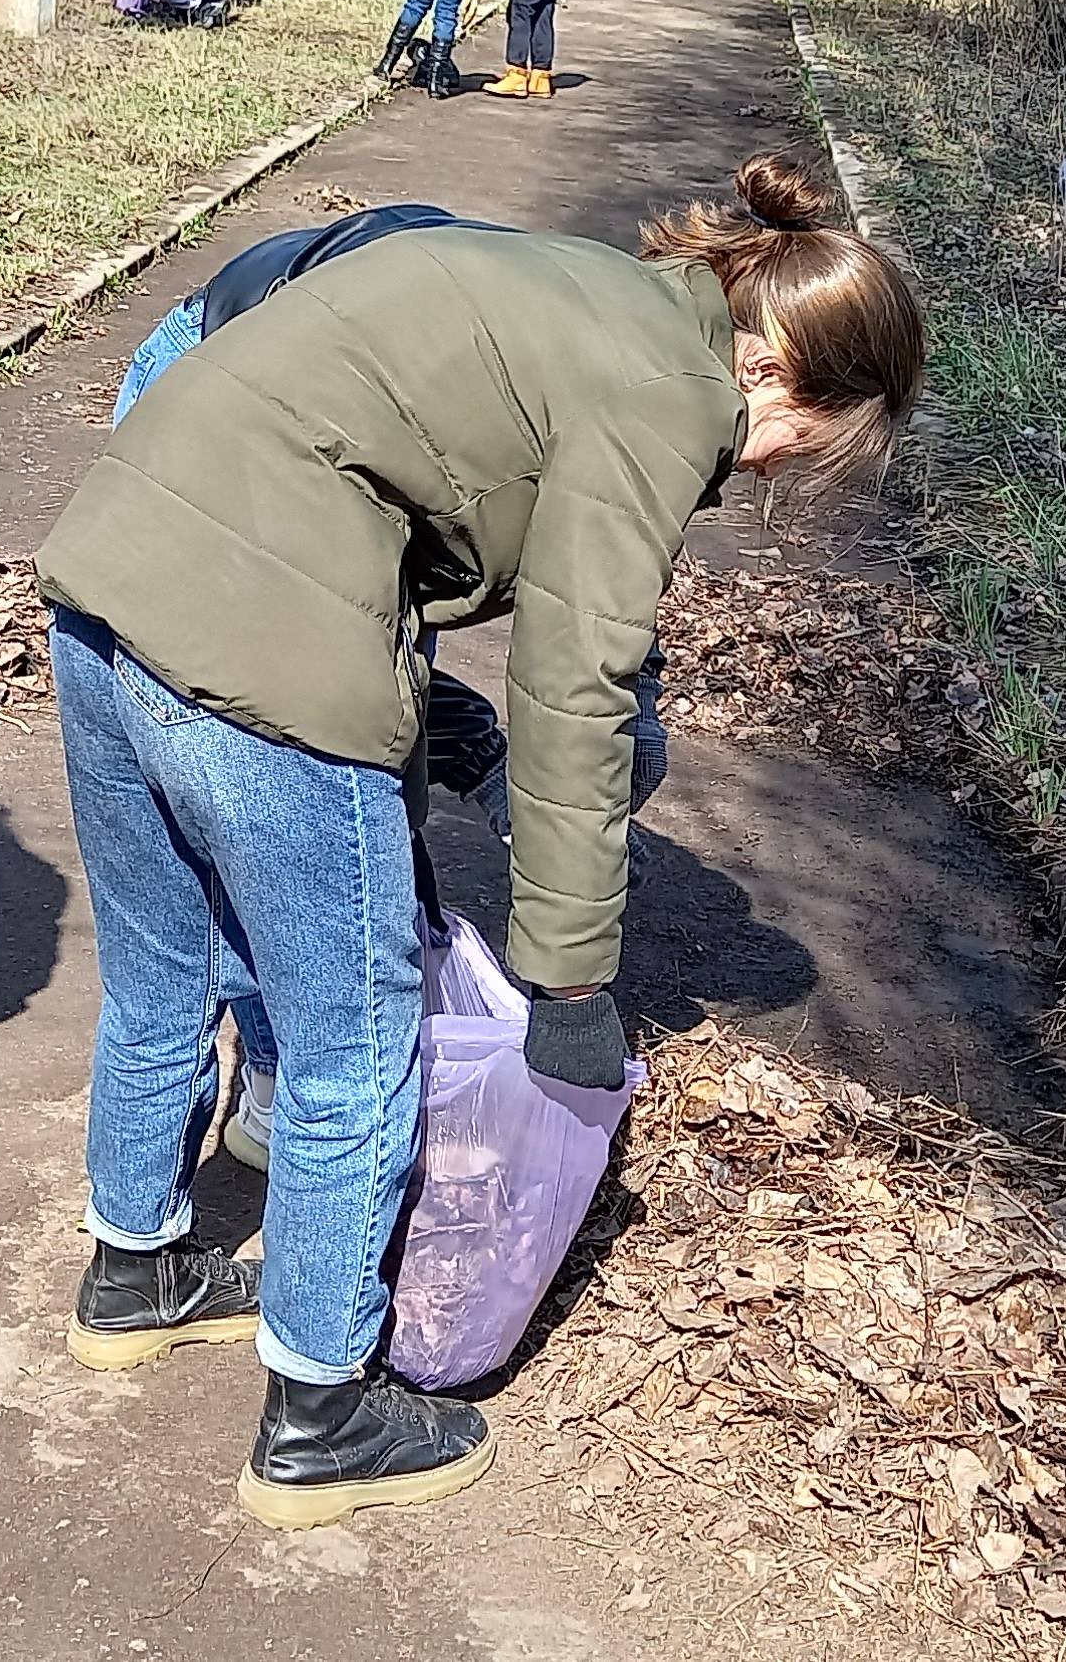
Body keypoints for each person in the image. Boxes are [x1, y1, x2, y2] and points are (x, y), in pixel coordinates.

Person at [34, 157, 926, 1531]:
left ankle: (135, 1272)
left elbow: (396, 479)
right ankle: (321, 1414)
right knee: (360, 1044)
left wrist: (428, 713)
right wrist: (568, 980)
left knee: (162, 975)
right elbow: (573, 687)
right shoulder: (668, 394)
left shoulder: (599, 297)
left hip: (109, 574)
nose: (765, 473)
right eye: (798, 446)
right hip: (253, 640)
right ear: (777, 374)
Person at [100, 207, 676, 1180]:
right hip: (219, 384)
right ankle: (280, 1089)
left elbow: (588, 641)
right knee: (266, 785)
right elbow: (357, 660)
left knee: (365, 741)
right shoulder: (520, 370)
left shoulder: (621, 397)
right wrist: (571, 988)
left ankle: (458, 752)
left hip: (361, 471)